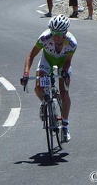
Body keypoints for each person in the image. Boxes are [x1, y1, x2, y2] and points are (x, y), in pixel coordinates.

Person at [20, 14, 77, 142]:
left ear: (65, 32)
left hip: (63, 63)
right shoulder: (45, 38)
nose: (55, 35)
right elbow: (31, 55)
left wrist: (65, 73)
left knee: (63, 92)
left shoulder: (72, 43)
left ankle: (65, 126)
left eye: (59, 32)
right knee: (39, 88)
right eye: (53, 31)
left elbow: (67, 61)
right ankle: (45, 103)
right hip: (47, 60)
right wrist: (26, 73)